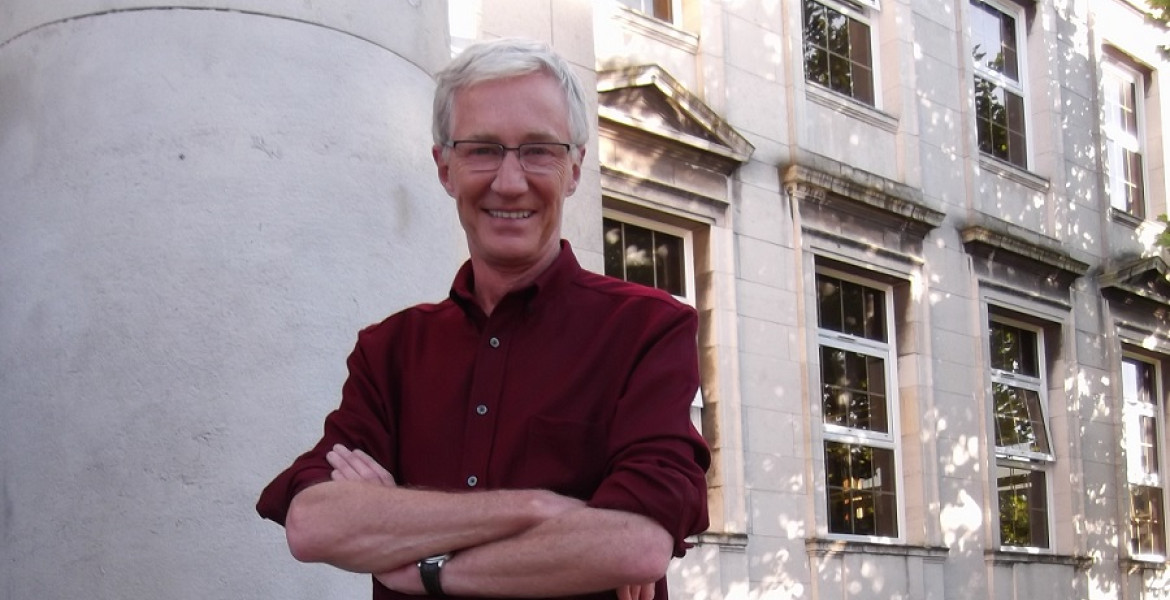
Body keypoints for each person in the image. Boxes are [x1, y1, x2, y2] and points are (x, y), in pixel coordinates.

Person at [256, 37, 710, 600]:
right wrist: (542, 508)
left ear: (574, 168)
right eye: (482, 150)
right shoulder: (389, 351)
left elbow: (634, 546)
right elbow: (313, 523)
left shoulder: (647, 329)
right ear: (444, 168)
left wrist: (425, 563)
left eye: (539, 150)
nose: (510, 182)